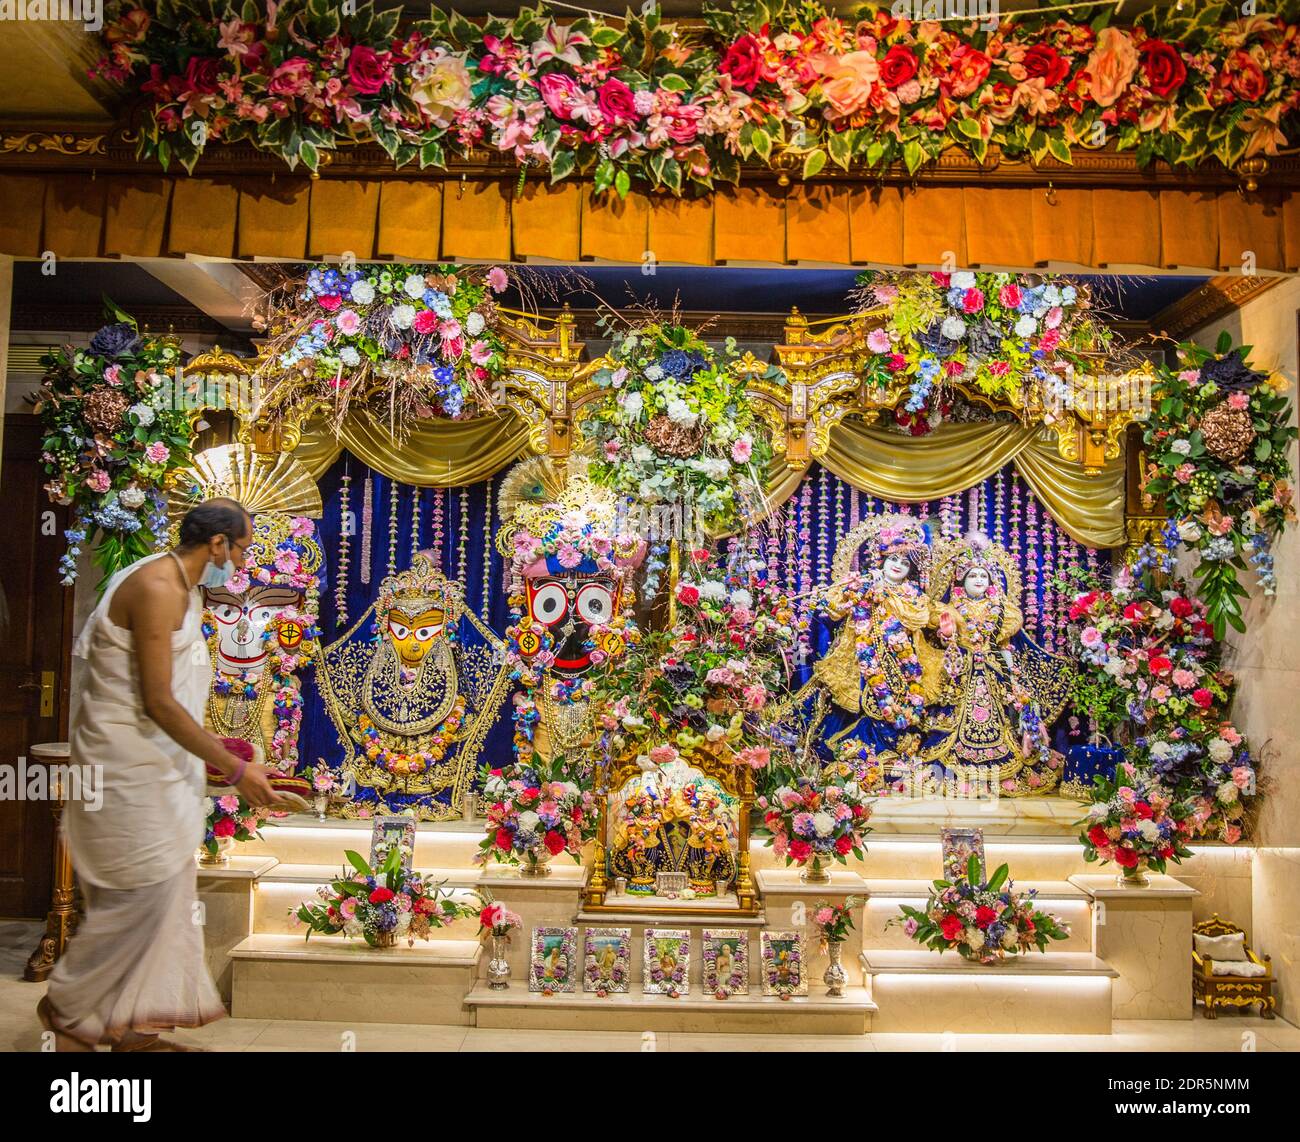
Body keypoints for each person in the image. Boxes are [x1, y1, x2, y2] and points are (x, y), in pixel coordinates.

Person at [39, 498, 277, 1052]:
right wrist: (235, 767)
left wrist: (215, 750)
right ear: (217, 543)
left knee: (166, 900)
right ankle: (69, 1007)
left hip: (159, 773)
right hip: (124, 773)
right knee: (138, 902)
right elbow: (157, 704)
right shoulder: (155, 588)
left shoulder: (184, 589)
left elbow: (178, 700)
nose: (240, 564)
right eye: (240, 549)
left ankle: (133, 1030)